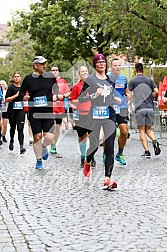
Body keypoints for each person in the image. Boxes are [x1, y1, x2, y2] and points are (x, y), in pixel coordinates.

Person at [73, 54, 121, 189]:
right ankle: (88, 160)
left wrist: (114, 100)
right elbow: (81, 99)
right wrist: (95, 94)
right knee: (94, 145)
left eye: (103, 62)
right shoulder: (90, 80)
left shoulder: (111, 79)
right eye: (98, 62)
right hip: (94, 115)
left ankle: (107, 179)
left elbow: (110, 95)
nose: (101, 64)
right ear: (95, 65)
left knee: (110, 146)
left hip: (109, 115)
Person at [20, 56, 59, 169]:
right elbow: (22, 91)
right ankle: (38, 160)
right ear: (35, 66)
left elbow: (55, 87)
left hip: (47, 110)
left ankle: (43, 147)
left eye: (45, 63)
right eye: (42, 64)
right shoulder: (28, 79)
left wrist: (55, 94)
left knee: (49, 137)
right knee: (37, 136)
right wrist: (24, 97)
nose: (45, 66)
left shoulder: (50, 77)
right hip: (34, 112)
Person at [128, 63, 161, 157]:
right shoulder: (149, 80)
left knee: (142, 130)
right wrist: (150, 97)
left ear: (135, 70)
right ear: (143, 70)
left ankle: (147, 151)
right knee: (149, 128)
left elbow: (130, 95)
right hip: (150, 108)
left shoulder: (132, 81)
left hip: (140, 108)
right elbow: (157, 91)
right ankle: (154, 141)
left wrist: (130, 104)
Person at [70, 66, 96, 168]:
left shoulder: (93, 85)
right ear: (79, 74)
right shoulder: (76, 86)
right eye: (82, 72)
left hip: (91, 114)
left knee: (93, 136)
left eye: (86, 71)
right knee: (82, 136)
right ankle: (82, 157)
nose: (84, 73)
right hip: (80, 114)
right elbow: (72, 100)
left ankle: (91, 157)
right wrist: (74, 107)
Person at [107, 58, 129, 165]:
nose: (117, 67)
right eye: (115, 65)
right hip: (109, 107)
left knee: (124, 131)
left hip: (122, 107)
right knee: (109, 133)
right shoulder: (106, 78)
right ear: (111, 67)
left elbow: (125, 91)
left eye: (119, 65)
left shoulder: (124, 78)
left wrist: (129, 96)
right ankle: (106, 154)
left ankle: (119, 154)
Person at [49, 65, 71, 156]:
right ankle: (48, 141)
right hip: (49, 108)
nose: (55, 71)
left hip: (59, 108)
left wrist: (64, 96)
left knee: (57, 127)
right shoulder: (47, 81)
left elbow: (69, 92)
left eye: (56, 70)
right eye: (53, 70)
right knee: (50, 127)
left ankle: (53, 145)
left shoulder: (62, 81)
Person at [5, 72, 26, 154]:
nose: (17, 78)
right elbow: (6, 99)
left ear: (21, 78)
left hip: (21, 109)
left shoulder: (23, 88)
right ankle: (11, 140)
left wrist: (26, 98)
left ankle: (21, 146)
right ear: (13, 78)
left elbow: (24, 97)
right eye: (15, 76)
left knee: (20, 128)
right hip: (12, 110)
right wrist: (16, 96)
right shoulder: (11, 88)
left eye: (18, 76)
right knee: (13, 127)